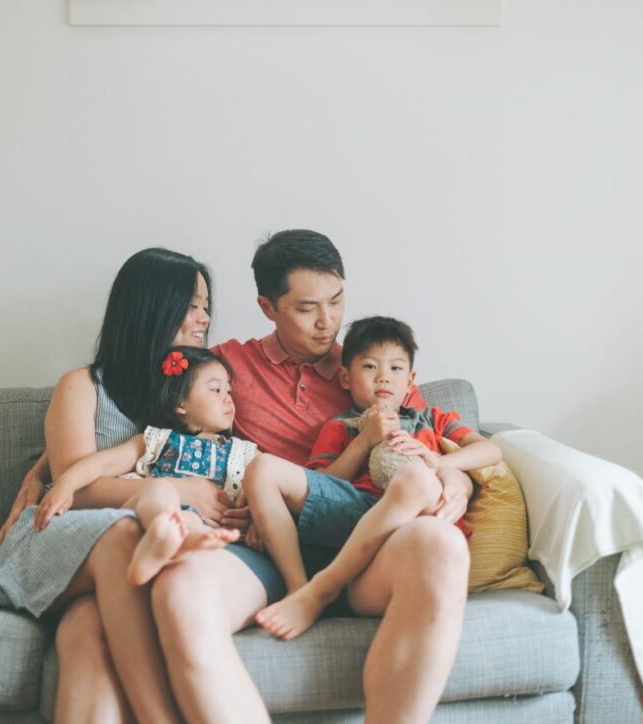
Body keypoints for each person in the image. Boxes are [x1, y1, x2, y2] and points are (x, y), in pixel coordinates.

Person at [147, 229, 476, 724]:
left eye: (337, 300)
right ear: (267, 307)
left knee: (443, 545)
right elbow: (145, 409)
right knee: (180, 591)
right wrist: (52, 466)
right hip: (266, 549)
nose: (328, 323)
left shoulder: (369, 366)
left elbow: (431, 443)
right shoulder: (230, 365)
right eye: (306, 308)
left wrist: (458, 481)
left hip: (371, 549)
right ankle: (300, 589)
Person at [0, 247, 222, 724]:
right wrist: (179, 490)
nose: (204, 318)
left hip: (132, 551)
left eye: (206, 306)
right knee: (123, 536)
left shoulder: (201, 389)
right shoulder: (83, 385)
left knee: (86, 628)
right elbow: (77, 491)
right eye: (191, 305)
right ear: (149, 306)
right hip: (62, 530)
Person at [244, 315, 502, 640]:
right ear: (345, 377)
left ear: (411, 381)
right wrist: (364, 440)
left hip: (415, 524)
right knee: (263, 468)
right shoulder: (340, 425)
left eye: (395, 368)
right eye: (369, 366)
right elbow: (323, 482)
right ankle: (299, 589)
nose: (383, 377)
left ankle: (324, 588)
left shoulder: (432, 419)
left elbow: (490, 450)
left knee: (417, 479)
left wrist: (440, 463)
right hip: (358, 512)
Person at [31, 346, 251, 585]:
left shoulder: (242, 452)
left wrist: (252, 511)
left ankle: (184, 542)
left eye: (228, 391)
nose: (228, 399)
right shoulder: (158, 440)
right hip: (149, 519)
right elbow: (103, 463)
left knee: (190, 521)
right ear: (180, 403)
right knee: (159, 490)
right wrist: (66, 483)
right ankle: (161, 536)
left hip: (206, 527)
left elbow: (267, 481)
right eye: (216, 390)